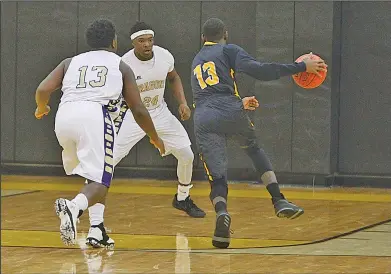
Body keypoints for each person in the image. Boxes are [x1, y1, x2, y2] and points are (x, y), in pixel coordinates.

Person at [191, 18, 328, 248]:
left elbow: (209, 95)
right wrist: (301, 67)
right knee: (253, 149)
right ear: (226, 33)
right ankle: (278, 200)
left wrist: (237, 102)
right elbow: (261, 71)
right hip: (230, 110)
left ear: (202, 38)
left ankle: (222, 213)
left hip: (204, 116)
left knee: (217, 175)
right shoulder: (228, 50)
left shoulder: (196, 60)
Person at [34, 18, 164, 247]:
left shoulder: (70, 62)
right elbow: (139, 109)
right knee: (101, 181)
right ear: (114, 41)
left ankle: (97, 229)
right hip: (93, 117)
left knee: (96, 174)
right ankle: (73, 207)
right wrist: (154, 136)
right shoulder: (121, 65)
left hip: (64, 117)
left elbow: (43, 89)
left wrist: (42, 107)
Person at [86, 21, 206, 239]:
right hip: (132, 116)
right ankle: (86, 203)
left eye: (150, 40)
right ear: (133, 43)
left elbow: (174, 77)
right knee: (109, 161)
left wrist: (182, 102)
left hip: (159, 113)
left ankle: (182, 198)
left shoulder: (164, 56)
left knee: (187, 154)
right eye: (142, 41)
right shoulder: (123, 63)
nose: (147, 45)